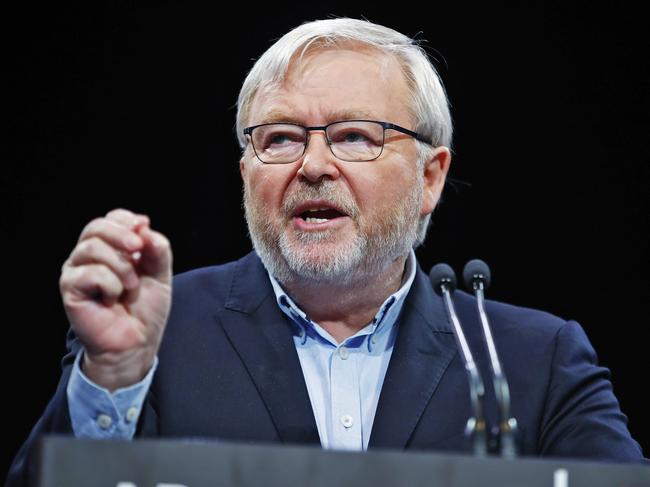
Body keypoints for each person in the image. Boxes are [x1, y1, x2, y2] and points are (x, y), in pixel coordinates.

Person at [6, 17, 647, 486]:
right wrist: (114, 379)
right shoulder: (154, 331)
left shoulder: (534, 361)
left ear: (430, 178)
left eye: (353, 136)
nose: (313, 165)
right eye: (280, 138)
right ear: (244, 173)